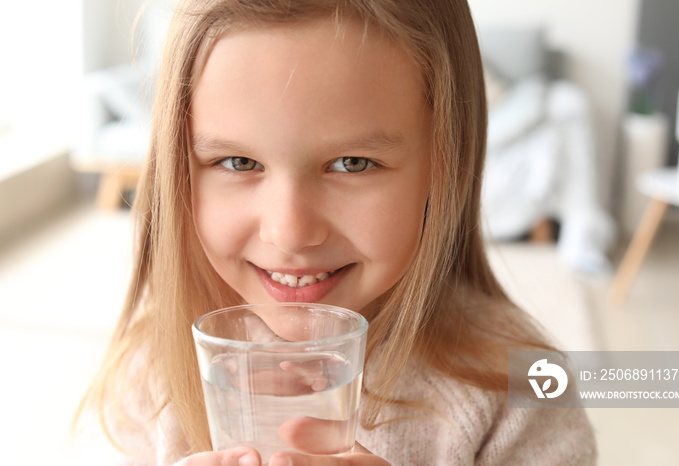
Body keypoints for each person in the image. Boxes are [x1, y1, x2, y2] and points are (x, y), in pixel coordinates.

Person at [76, 0, 597, 464]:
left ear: (447, 164)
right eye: (238, 161)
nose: (290, 233)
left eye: (352, 163)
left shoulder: (520, 395)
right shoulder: (151, 379)